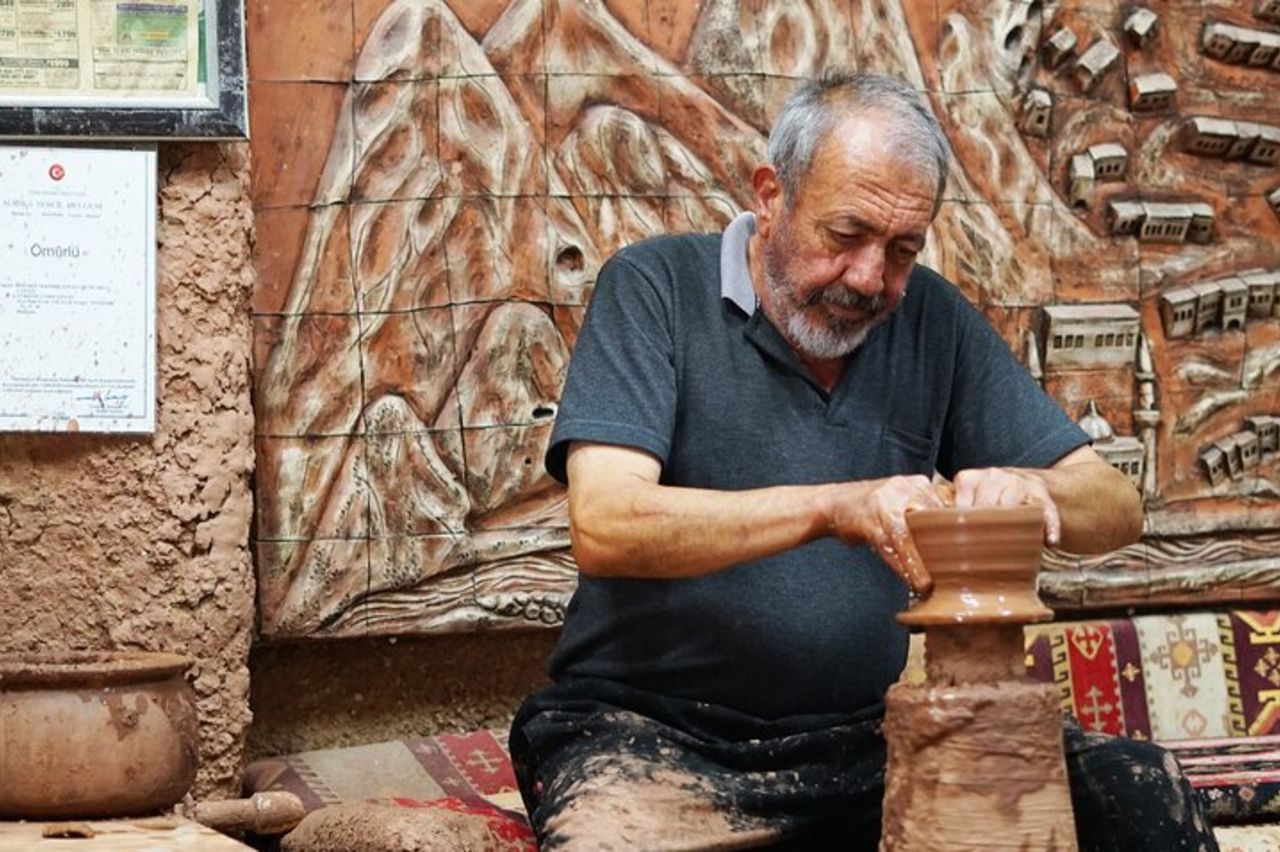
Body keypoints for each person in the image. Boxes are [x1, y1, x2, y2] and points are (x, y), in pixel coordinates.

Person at [510, 72, 1217, 851]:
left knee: (1143, 791)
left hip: (860, 739)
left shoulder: (931, 323)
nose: (870, 279)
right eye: (845, 236)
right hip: (650, 736)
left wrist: (1033, 485)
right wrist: (833, 508)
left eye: (902, 250)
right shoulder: (655, 289)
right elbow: (607, 523)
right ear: (772, 194)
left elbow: (1115, 506)